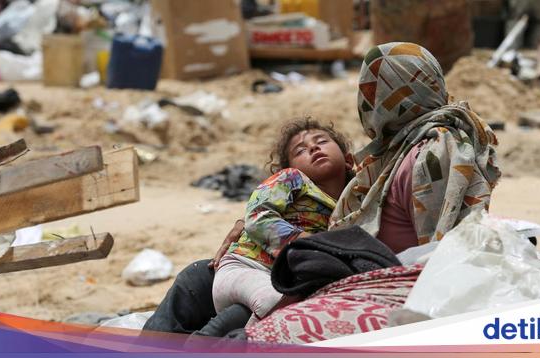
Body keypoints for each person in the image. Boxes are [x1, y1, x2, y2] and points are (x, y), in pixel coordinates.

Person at [144, 41, 501, 336]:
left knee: (255, 319)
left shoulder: (433, 152)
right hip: (292, 269)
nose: (368, 103)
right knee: (196, 278)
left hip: (351, 284)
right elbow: (263, 214)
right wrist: (259, 227)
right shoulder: (388, 156)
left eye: (373, 92)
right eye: (301, 150)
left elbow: (434, 246)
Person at [212, 118, 354, 325]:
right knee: (278, 307)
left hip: (277, 280)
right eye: (300, 151)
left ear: (349, 160)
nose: (313, 147)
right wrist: (310, 243)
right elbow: (258, 217)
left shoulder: (355, 203)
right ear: (290, 167)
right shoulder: (292, 178)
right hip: (246, 266)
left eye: (321, 141)